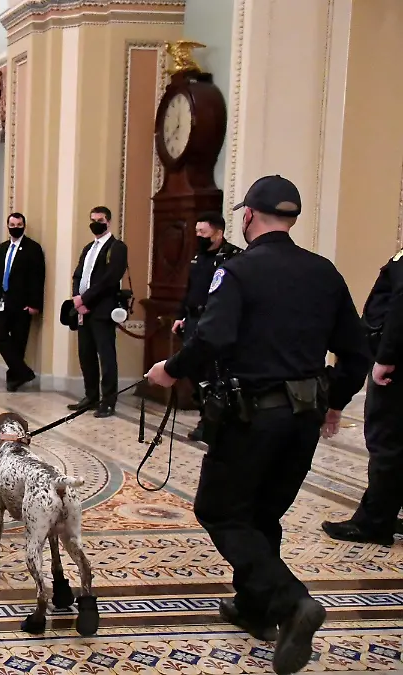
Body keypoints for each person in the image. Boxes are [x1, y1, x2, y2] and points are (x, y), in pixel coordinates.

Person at [146, 175, 371, 675]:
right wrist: (335, 400)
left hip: (252, 417)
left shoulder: (239, 272)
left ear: (247, 216)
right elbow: (358, 353)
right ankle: (255, 607)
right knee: (263, 514)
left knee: (221, 510)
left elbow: (214, 339)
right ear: (290, 219)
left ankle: (291, 603)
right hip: (304, 419)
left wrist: (171, 370)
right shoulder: (324, 272)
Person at [321, 245, 403, 546]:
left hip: (397, 366)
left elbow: (400, 304)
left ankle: (374, 523)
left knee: (387, 442)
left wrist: (387, 355)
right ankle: (384, 511)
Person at [170, 212, 241, 441]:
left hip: (215, 324)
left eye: (203, 232)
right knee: (194, 371)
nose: (199, 236)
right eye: (197, 232)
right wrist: (181, 315)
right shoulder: (198, 257)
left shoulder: (232, 257)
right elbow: (190, 289)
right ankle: (204, 412)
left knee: (214, 373)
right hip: (193, 320)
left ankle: (212, 421)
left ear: (218, 232)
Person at [69, 206, 128, 418]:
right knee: (86, 354)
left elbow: (109, 279)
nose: (96, 223)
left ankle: (108, 400)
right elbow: (78, 275)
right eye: (93, 219)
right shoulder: (88, 248)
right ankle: (90, 395)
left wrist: (85, 299)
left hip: (102, 310)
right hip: (83, 310)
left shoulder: (117, 247)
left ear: (108, 222)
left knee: (106, 356)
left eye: (100, 220)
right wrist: (78, 299)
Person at [0, 212, 45, 392]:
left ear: (24, 225)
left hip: (23, 303)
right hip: (2, 300)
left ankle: (14, 379)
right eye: (12, 224)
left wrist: (35, 304)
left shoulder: (33, 248)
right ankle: (23, 371)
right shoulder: (3, 247)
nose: (15, 227)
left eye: (19, 224)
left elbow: (38, 277)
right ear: (8, 226)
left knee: (19, 341)